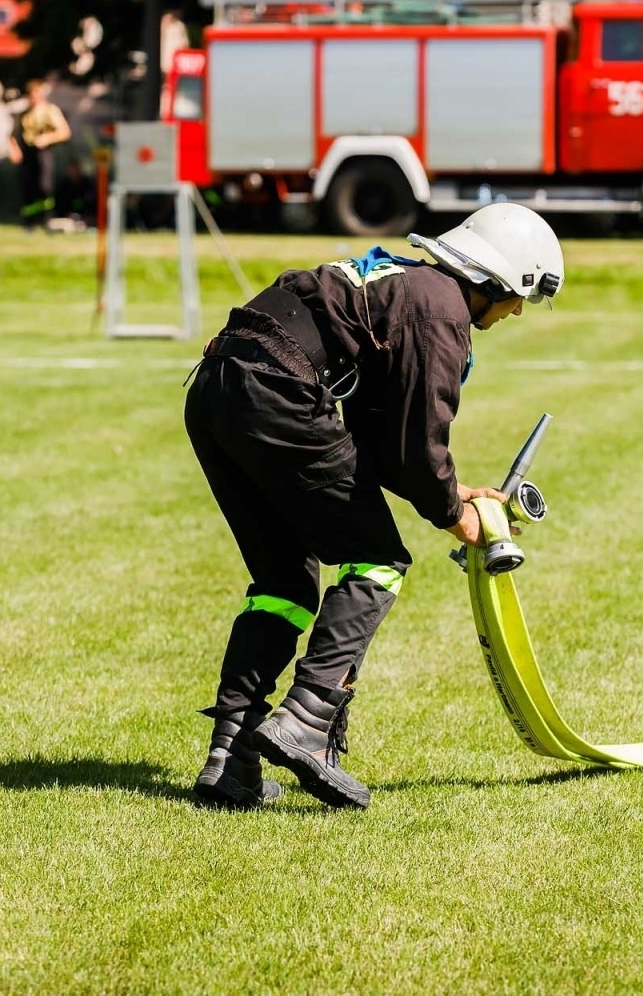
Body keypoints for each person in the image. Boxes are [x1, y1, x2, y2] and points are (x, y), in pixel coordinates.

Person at [183, 204, 565, 811]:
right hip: (278, 393)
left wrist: (454, 490)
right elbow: (417, 447)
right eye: (521, 297)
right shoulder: (442, 312)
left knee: (284, 579)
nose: (517, 311)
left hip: (216, 390)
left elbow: (378, 446)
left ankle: (231, 759)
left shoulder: (403, 282)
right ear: (498, 281)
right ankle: (306, 721)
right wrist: (454, 515)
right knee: (377, 560)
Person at [6, 78, 71, 230]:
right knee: (27, 188)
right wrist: (14, 150)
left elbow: (64, 132)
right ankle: (28, 222)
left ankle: (46, 219)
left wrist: (47, 138)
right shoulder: (24, 114)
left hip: (42, 153)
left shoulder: (50, 111)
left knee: (44, 187)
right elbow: (11, 135)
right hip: (27, 153)